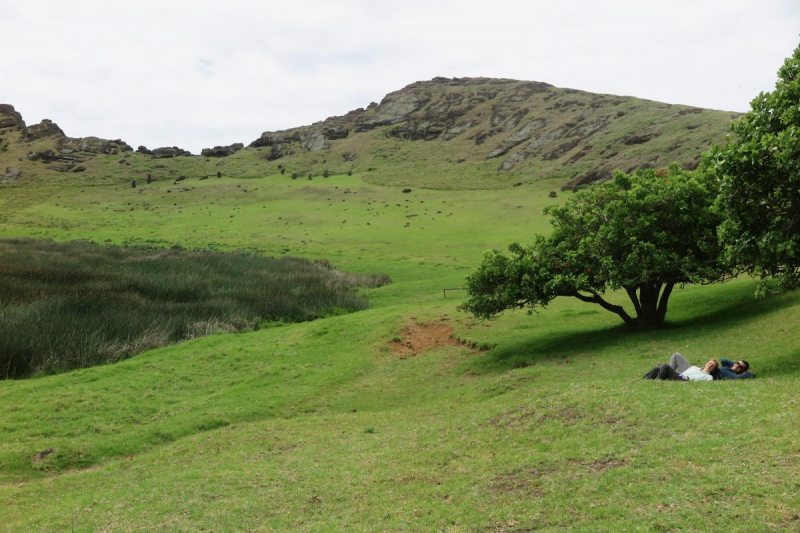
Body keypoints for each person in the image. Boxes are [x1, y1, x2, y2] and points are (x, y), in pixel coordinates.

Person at [642, 353, 718, 381]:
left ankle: (658, 381)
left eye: (712, 365)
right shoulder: (695, 368)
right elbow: (683, 373)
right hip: (680, 375)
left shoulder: (708, 377)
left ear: (713, 370)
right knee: (657, 368)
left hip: (684, 379)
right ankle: (644, 381)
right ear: (706, 363)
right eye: (710, 363)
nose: (710, 365)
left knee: (665, 366)